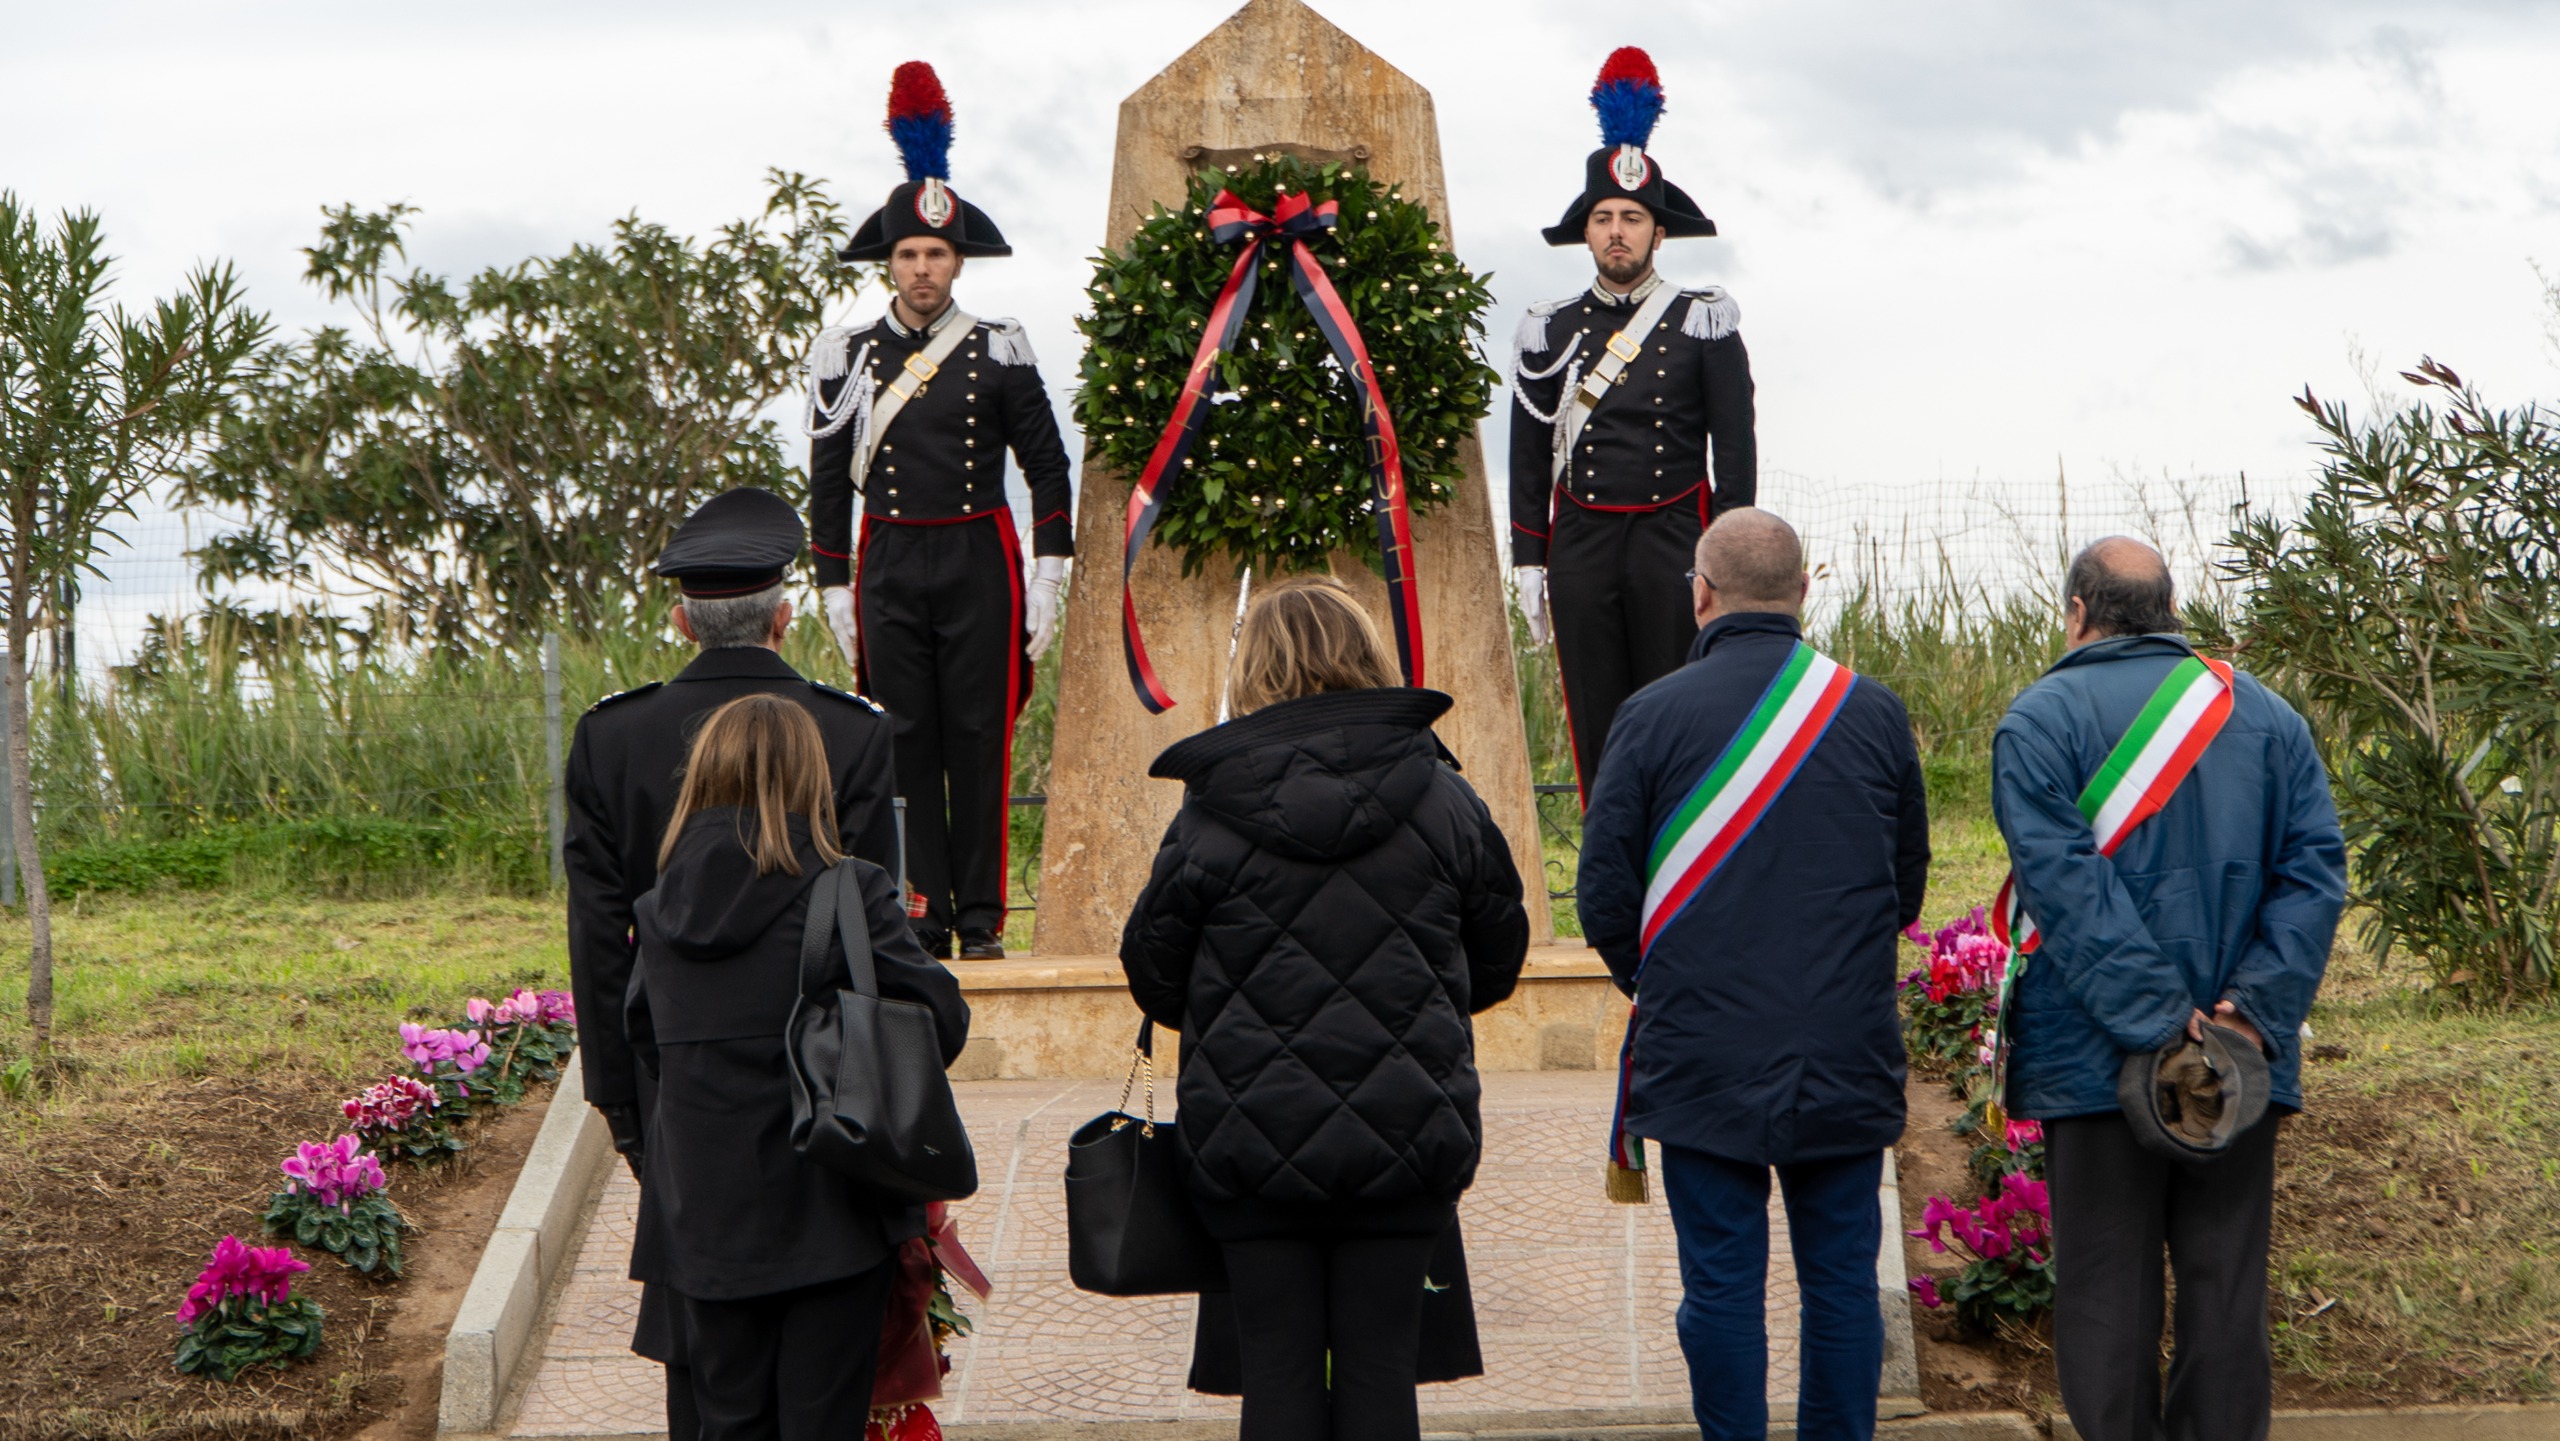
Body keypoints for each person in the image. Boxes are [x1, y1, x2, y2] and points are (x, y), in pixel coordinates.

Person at [1120, 576, 1531, 1441]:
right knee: (1385, 1372)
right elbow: (1498, 958)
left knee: (1275, 1374)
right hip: (1408, 1130)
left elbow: (1154, 977)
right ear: (1367, 657)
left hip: (1249, 1139)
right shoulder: (1444, 796)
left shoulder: (1209, 809)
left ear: (1255, 671)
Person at [1578, 509, 1928, 1441]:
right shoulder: (1875, 710)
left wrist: (1670, 985)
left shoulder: (1648, 716)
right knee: (1842, 1286)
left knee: (1722, 1288)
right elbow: (1905, 889)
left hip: (1701, 1052)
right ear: (1805, 590)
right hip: (1843, 1048)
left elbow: (1604, 898)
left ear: (1700, 593)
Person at [561, 486, 899, 1438]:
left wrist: (623, 1102)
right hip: (830, 1096)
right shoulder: (854, 728)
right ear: (785, 615)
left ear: (681, 617)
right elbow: (879, 945)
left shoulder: (610, 735)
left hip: (683, 1084)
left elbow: (597, 938)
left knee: (712, 1391)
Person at [1991, 537, 2343, 1441]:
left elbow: (2065, 887)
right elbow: (2314, 874)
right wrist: (2242, 1018)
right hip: (2234, 1067)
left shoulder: (2039, 719)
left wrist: (2159, 1022)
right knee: (2227, 1291)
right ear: (2171, 610)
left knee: (2107, 1293)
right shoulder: (2269, 718)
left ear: (2076, 611)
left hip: (2092, 1056)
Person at [624, 693, 969, 1441]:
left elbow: (643, 1037)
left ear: (703, 779)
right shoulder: (851, 891)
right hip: (830, 1214)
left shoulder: (656, 911)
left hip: (702, 1218)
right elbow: (942, 1022)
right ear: (811, 779)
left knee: (725, 1423)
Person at [806, 60, 1076, 961]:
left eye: (937, 255)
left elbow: (1046, 467)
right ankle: (920, 909)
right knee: (900, 740)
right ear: (890, 261)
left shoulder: (1001, 347)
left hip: (979, 560)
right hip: (886, 561)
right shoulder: (844, 354)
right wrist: (834, 587)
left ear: (959, 261)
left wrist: (1048, 577)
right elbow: (823, 475)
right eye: (909, 255)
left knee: (980, 740)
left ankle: (983, 919)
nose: (923, 269)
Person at [1508, 46, 1756, 800]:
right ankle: (1609, 874)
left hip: (1676, 538)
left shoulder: (1703, 321)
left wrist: (1735, 560)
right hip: (1581, 541)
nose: (1617, 231)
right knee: (1596, 718)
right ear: (1586, 232)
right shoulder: (1546, 329)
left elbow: (1735, 455)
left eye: (1633, 218)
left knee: (1684, 709)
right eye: (1604, 218)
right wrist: (1529, 558)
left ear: (1659, 232)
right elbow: (1525, 453)